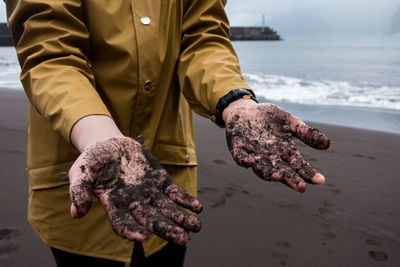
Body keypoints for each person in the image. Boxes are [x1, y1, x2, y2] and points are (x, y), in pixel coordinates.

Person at [5, 0, 331, 266]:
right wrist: (99, 136)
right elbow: (51, 52)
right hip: (79, 178)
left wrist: (236, 103)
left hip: (169, 178)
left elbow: (202, 37)